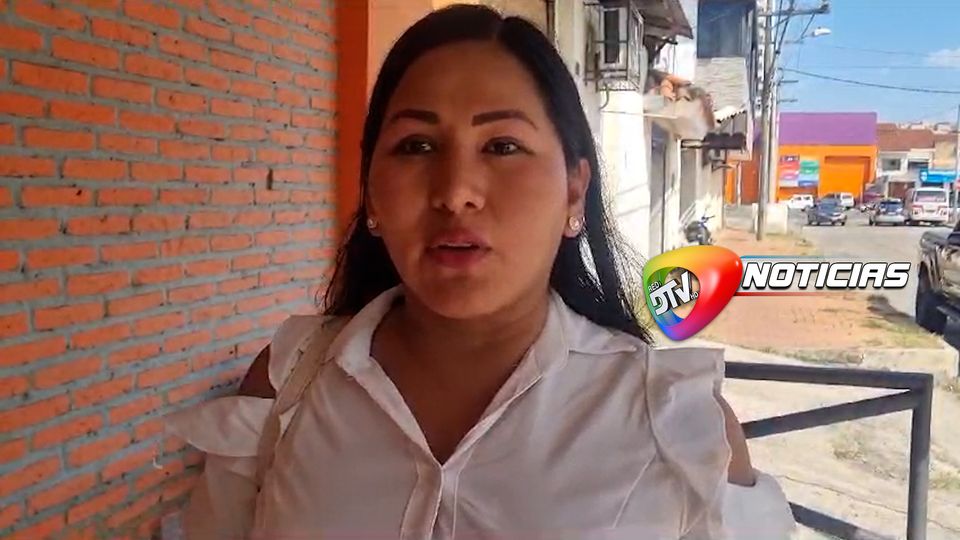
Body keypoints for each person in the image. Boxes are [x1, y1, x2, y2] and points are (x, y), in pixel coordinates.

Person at [166, 5, 794, 539]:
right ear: (373, 192)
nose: (456, 192)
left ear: (574, 190)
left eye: (503, 146)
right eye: (416, 146)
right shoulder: (286, 388)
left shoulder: (681, 429)